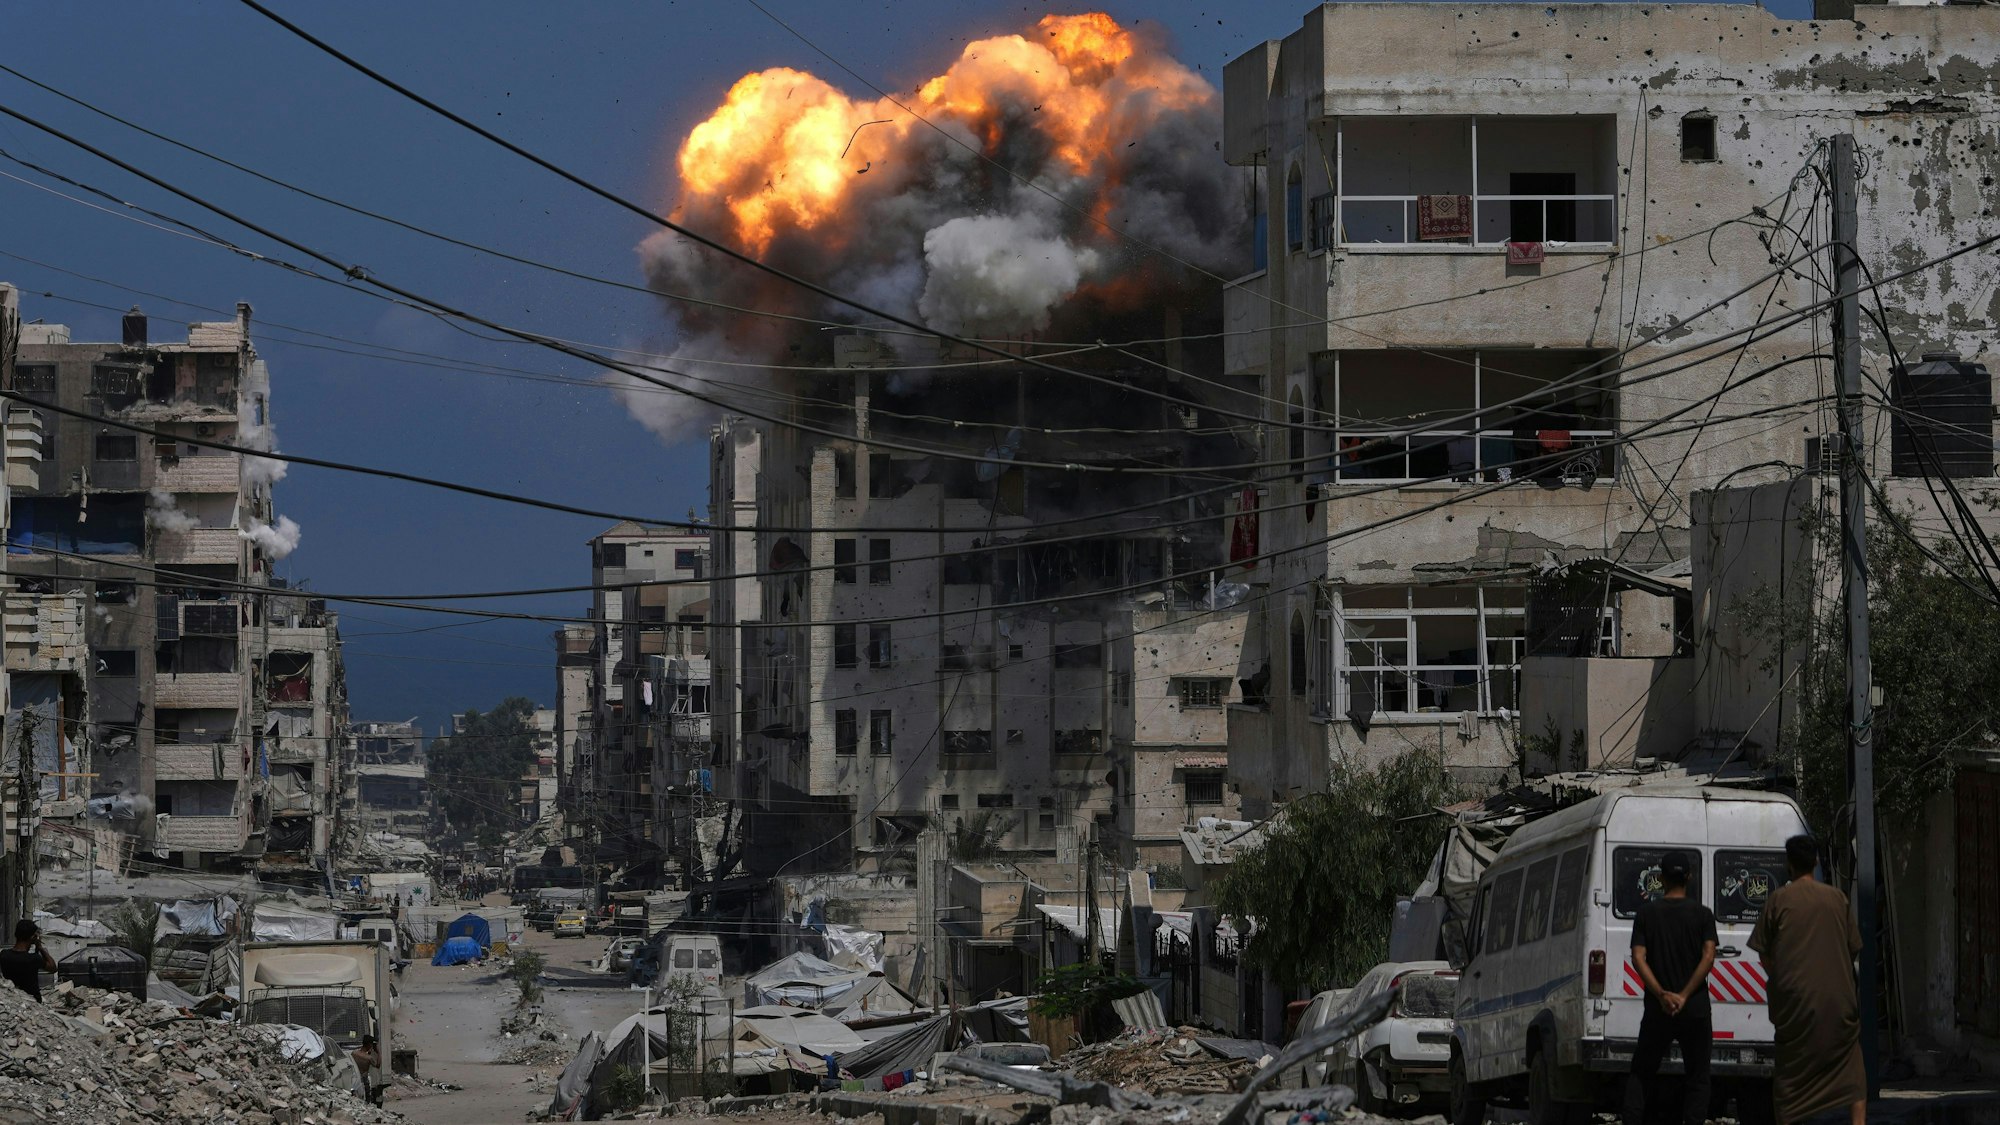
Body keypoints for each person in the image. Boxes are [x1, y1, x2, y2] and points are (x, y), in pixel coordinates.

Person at [1749, 834, 1867, 1125]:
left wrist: (1785, 978)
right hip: (1838, 1003)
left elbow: (1764, 954)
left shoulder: (1778, 901)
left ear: (1789, 864)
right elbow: (1853, 947)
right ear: (1816, 861)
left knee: (1789, 1077)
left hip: (1795, 1005)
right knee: (1853, 1069)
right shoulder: (1837, 898)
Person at [1624, 851, 1718, 1125]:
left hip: (1658, 1009)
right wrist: (1685, 995)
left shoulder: (1646, 914)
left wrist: (1661, 994)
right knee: (1698, 1076)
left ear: (1661, 878)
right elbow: (1709, 955)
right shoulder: (1703, 915)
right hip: (1695, 1008)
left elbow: (1638, 957)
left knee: (1642, 1072)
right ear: (1689, 877)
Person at [0, 920, 56, 1002]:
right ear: (33, 937)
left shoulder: (4, 955)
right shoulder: (34, 959)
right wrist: (40, 948)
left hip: (12, 999)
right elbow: (53, 968)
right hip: (32, 1001)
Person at [350, 1034, 383, 1106]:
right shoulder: (368, 1058)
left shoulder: (354, 1053)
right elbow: (378, 1065)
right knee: (366, 1101)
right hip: (364, 1080)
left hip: (353, 1079)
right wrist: (378, 1052)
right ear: (369, 1044)